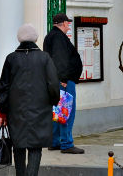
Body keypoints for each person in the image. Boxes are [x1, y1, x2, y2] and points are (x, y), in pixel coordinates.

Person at [0, 24, 60, 176]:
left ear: (19, 38)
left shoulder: (11, 58)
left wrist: (2, 112)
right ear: (36, 38)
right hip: (40, 109)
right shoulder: (44, 57)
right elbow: (53, 84)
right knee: (35, 147)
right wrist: (53, 102)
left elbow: (3, 87)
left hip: (16, 110)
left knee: (18, 146)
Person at [43, 13, 84, 154]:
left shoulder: (51, 36)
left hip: (57, 80)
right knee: (66, 111)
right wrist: (64, 78)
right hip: (64, 81)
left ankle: (55, 142)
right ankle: (66, 143)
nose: (69, 25)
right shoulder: (59, 37)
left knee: (58, 111)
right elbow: (60, 59)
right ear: (64, 23)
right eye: (68, 23)